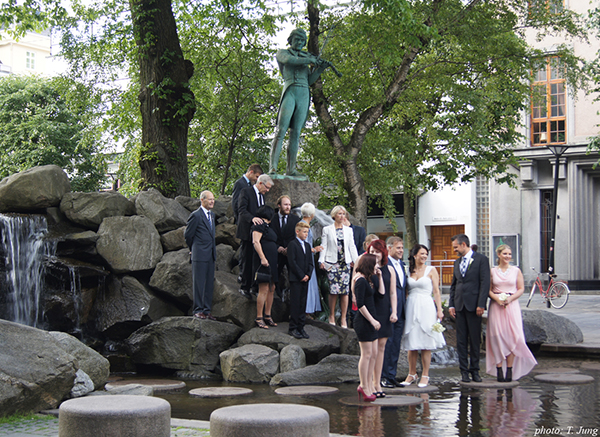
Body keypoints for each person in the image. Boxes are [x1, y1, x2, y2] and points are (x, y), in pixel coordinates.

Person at [269, 28, 333, 177]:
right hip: (290, 90)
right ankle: (273, 168)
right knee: (281, 130)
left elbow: (310, 80)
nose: (299, 43)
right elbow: (287, 60)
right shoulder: (283, 53)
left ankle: (291, 169)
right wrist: (309, 60)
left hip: (304, 93)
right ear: (290, 40)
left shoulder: (305, 56)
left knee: (296, 133)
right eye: (297, 39)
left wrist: (320, 69)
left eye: (302, 41)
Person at [486, 244, 537, 382]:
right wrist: (497, 298)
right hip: (496, 307)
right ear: (499, 255)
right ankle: (498, 369)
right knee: (497, 337)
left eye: (509, 254)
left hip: (511, 305)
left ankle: (509, 369)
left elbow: (520, 289)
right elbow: (489, 289)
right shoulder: (492, 271)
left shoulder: (516, 271)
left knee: (513, 336)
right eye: (505, 254)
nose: (508, 256)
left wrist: (510, 299)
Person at [401, 244, 445, 388]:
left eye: (426, 254)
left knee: (426, 343)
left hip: (426, 306)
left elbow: (436, 291)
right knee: (411, 342)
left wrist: (439, 309)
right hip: (411, 306)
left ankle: (425, 374)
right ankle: (412, 373)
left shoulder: (431, 270)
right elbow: (406, 291)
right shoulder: (408, 271)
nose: (424, 256)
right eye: (421, 253)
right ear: (414, 255)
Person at [449, 234, 490, 383]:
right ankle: (464, 372)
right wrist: (451, 304)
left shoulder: (481, 260)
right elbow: (454, 285)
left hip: (474, 306)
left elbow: (485, 283)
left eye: (456, 247)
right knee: (460, 340)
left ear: (464, 244)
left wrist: (481, 304)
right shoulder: (456, 262)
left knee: (474, 339)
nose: (454, 250)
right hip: (459, 306)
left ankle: (475, 370)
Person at [319, 205, 359, 328]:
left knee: (345, 292)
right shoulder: (327, 229)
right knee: (333, 291)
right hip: (332, 263)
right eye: (339, 214)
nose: (342, 216)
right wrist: (321, 260)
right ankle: (331, 315)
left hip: (344, 264)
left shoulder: (348, 230)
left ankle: (343, 319)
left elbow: (352, 246)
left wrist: (356, 261)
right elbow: (323, 246)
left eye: (343, 214)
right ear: (334, 215)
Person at [352, 253, 384, 402]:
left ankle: (370, 385)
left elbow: (381, 293)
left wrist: (380, 276)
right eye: (375, 264)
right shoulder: (359, 281)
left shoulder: (369, 279)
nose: (377, 266)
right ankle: (364, 385)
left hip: (372, 320)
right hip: (364, 321)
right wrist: (372, 320)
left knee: (373, 354)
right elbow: (360, 304)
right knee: (366, 354)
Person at [235, 174, 274, 298]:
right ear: (260, 183)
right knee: (246, 259)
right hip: (247, 231)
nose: (267, 191)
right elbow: (241, 210)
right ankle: (244, 287)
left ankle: (254, 286)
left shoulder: (262, 196)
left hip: (258, 232)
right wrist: (253, 219)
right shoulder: (246, 191)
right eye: (267, 188)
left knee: (255, 261)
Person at [367, 239, 397, 398]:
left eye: (377, 252)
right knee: (371, 350)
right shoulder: (365, 267)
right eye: (371, 252)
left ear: (383, 252)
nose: (374, 255)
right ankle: (369, 383)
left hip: (385, 309)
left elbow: (393, 293)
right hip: (371, 309)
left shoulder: (390, 269)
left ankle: (377, 382)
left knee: (381, 347)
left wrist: (395, 311)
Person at [184, 191, 217, 320]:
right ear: (202, 200)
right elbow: (188, 235)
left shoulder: (212, 215)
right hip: (199, 254)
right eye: (210, 199)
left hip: (210, 254)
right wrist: (193, 248)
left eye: (213, 199)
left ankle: (207, 310)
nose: (212, 202)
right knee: (199, 283)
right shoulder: (196, 216)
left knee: (209, 283)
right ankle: (198, 310)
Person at [380, 236, 407, 389]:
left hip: (401, 310)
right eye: (398, 248)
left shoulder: (402, 264)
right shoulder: (384, 264)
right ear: (389, 248)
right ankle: (383, 376)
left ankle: (392, 376)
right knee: (387, 344)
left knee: (396, 344)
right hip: (388, 310)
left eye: (402, 248)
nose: (401, 250)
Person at [251, 205, 278, 329]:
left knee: (272, 287)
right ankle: (259, 317)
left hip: (272, 261)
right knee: (264, 288)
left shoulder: (268, 227)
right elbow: (256, 241)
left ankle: (268, 315)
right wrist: (262, 258)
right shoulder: (259, 225)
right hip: (263, 261)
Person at [287, 221, 314, 339]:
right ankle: (292, 327)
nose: (306, 234)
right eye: (304, 232)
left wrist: (308, 274)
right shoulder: (292, 244)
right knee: (295, 302)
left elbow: (310, 262)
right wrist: (301, 275)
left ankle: (301, 327)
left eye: (307, 232)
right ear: (297, 232)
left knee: (303, 303)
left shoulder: (307, 246)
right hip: (296, 279)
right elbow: (292, 262)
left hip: (305, 279)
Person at [271, 195, 301, 297]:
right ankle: (277, 294)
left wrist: (290, 248)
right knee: (274, 275)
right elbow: (268, 236)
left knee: (293, 276)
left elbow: (298, 236)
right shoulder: (272, 218)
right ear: (279, 205)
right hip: (276, 253)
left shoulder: (295, 219)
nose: (288, 207)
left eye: (289, 205)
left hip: (290, 253)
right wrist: (277, 247)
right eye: (285, 205)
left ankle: (292, 295)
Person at [300, 202, 324, 317]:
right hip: (306, 261)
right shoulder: (305, 227)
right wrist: (315, 249)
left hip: (306, 260)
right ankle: (308, 310)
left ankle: (308, 310)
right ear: (312, 214)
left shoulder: (301, 225)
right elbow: (304, 246)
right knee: (309, 284)